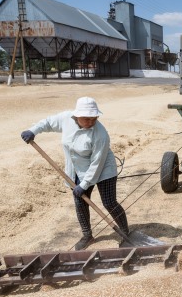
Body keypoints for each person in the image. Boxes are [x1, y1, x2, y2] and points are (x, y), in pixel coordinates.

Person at [20, 96, 128, 250]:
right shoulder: (66, 119)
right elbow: (48, 123)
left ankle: (125, 232)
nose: (91, 122)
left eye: (94, 118)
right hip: (77, 167)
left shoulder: (100, 134)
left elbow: (97, 163)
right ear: (76, 116)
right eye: (86, 119)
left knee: (109, 202)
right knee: (80, 202)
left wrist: (84, 184)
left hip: (103, 168)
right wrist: (33, 130)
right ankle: (87, 235)